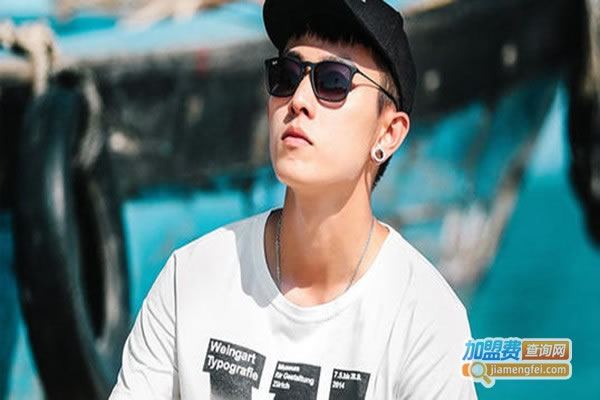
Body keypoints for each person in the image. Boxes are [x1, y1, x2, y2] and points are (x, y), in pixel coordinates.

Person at [109, 0, 478, 398]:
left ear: (388, 134)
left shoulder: (425, 321)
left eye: (333, 81)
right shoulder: (190, 280)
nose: (298, 99)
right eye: (287, 75)